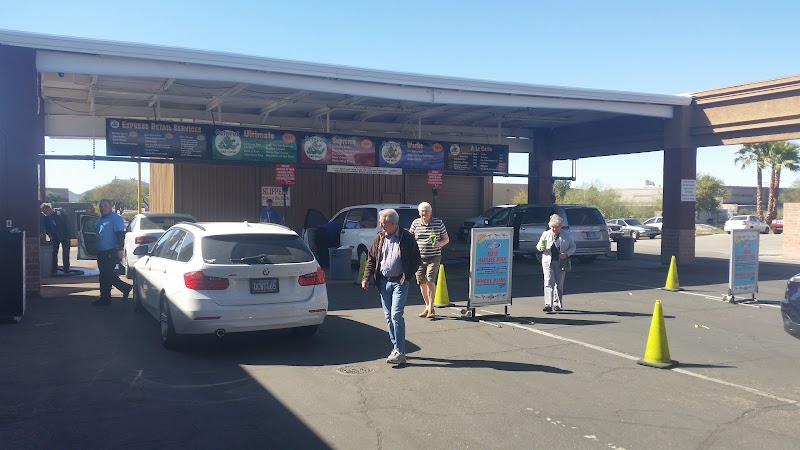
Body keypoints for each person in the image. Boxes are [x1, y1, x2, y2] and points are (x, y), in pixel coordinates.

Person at [361, 209, 421, 365]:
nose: (380, 225)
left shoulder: (407, 237)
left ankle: (400, 352)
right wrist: (366, 277)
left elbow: (417, 259)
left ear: (393, 223)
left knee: (396, 315)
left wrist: (406, 276)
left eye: (383, 222)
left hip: (399, 282)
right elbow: (371, 259)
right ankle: (396, 347)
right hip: (383, 282)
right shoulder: (380, 237)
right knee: (388, 317)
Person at [408, 202, 449, 319]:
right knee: (421, 281)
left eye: (426, 211)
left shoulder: (438, 223)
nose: (424, 213)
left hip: (434, 256)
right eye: (422, 211)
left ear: (431, 212)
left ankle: (431, 307)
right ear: (419, 212)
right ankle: (427, 306)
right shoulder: (415, 223)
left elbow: (446, 239)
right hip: (419, 257)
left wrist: (439, 244)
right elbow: (410, 239)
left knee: (430, 279)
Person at [93, 199, 131, 306]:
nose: (103, 208)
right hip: (101, 252)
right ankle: (126, 288)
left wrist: (119, 250)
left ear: (110, 207)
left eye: (105, 205)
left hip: (111, 251)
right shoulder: (100, 220)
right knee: (106, 274)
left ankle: (105, 299)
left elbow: (120, 235)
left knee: (106, 275)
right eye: (101, 206)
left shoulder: (115, 219)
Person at [536, 214, 575, 312]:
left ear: (560, 226)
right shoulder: (546, 234)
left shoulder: (566, 235)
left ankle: (557, 304)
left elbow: (573, 247)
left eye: (556, 227)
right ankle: (548, 304)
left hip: (561, 262)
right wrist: (542, 248)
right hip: (548, 261)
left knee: (559, 283)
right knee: (548, 282)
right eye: (552, 227)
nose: (554, 229)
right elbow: (539, 246)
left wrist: (566, 254)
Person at [40, 203, 71, 275]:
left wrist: (68, 236)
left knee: (66, 253)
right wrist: (50, 235)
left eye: (45, 212)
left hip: (64, 236)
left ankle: (66, 268)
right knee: (53, 253)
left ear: (48, 209)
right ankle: (54, 269)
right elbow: (47, 228)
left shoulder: (60, 214)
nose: (44, 214)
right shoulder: (46, 218)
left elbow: (67, 225)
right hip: (55, 237)